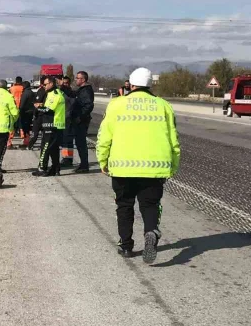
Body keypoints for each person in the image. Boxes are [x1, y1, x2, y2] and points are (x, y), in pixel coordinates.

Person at [97, 67, 180, 264]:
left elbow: (104, 137)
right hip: (154, 168)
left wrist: (103, 160)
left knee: (124, 206)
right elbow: (173, 139)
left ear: (131, 85)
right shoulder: (164, 106)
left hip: (123, 167)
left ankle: (126, 246)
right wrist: (173, 166)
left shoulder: (117, 104)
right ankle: (151, 231)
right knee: (150, 205)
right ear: (150, 84)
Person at [32, 77, 65, 177]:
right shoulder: (52, 93)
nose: (44, 86)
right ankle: (55, 168)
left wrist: (38, 107)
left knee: (45, 147)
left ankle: (42, 168)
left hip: (52, 125)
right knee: (53, 149)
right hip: (53, 125)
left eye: (45, 84)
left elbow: (49, 110)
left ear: (51, 83)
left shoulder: (54, 94)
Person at [71, 71, 95, 173]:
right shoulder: (81, 90)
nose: (76, 79)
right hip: (79, 119)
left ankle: (84, 165)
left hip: (82, 121)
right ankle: (83, 164)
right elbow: (73, 95)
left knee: (81, 143)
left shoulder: (86, 90)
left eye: (78, 78)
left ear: (83, 79)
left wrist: (80, 117)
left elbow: (89, 105)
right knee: (79, 142)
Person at [59, 76, 76, 166]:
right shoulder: (61, 92)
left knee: (67, 140)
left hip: (67, 119)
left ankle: (67, 159)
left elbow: (72, 106)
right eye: (63, 83)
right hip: (61, 119)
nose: (65, 84)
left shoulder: (70, 94)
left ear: (69, 84)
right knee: (63, 140)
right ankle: (66, 158)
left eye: (66, 83)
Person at [28, 77, 48, 150]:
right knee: (44, 133)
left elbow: (37, 104)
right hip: (46, 115)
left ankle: (30, 145)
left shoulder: (42, 91)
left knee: (35, 132)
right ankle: (43, 146)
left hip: (40, 115)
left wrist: (34, 114)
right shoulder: (48, 91)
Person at [7, 77, 25, 149]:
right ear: (21, 81)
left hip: (13, 108)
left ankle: (10, 139)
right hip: (21, 107)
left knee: (12, 124)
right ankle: (22, 135)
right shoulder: (23, 88)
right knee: (21, 123)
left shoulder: (11, 88)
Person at [18, 81, 35, 150]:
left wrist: (19, 111)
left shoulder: (25, 93)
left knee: (25, 128)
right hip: (31, 112)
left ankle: (26, 142)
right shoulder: (32, 92)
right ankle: (27, 141)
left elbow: (22, 104)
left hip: (25, 112)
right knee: (27, 128)